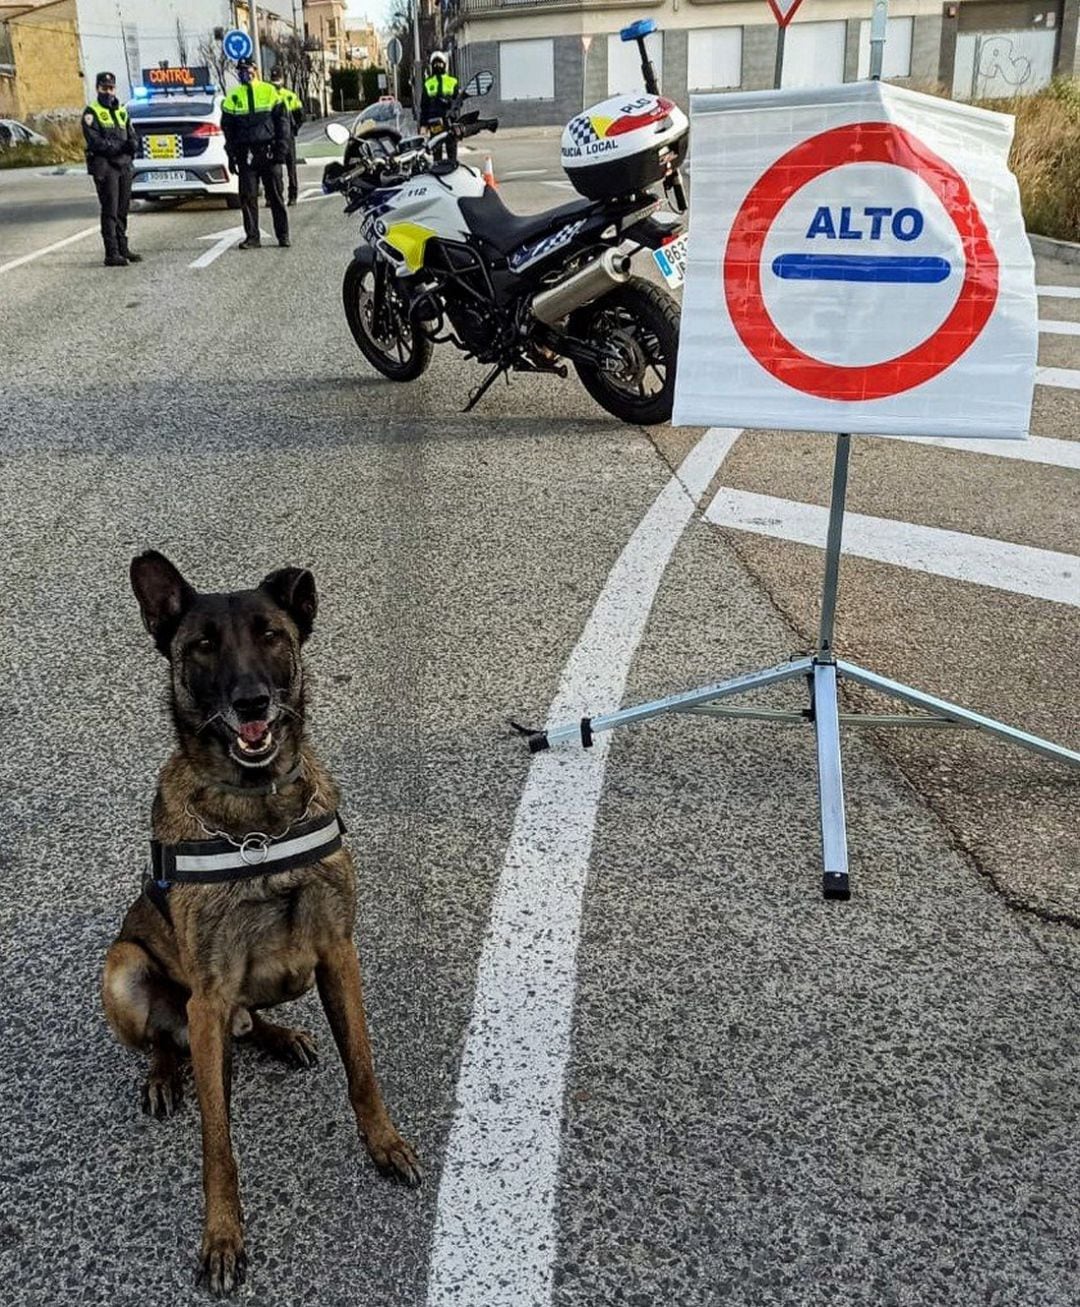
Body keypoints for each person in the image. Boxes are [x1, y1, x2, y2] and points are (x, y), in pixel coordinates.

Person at [220, 57, 290, 249]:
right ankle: (252, 237)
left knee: (275, 196)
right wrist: (231, 155)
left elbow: (282, 123)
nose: (245, 73)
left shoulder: (270, 91)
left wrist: (281, 149)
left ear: (255, 70)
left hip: (269, 152)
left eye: (248, 69)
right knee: (248, 197)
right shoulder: (233, 97)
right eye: (242, 70)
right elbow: (228, 130)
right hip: (246, 154)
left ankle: (283, 235)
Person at [81, 71, 141, 267]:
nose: (108, 92)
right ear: (97, 88)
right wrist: (120, 147)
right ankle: (111, 252)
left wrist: (132, 144)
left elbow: (131, 134)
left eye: (111, 88)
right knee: (110, 210)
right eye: (104, 88)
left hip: (124, 165)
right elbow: (95, 142)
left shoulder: (122, 110)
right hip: (105, 166)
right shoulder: (92, 112)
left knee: (123, 209)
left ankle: (123, 248)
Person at [269, 67, 304, 206]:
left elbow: (299, 114)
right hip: (278, 135)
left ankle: (289, 195)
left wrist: (294, 128)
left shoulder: (289, 96)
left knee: (287, 167)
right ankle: (283, 195)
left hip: (282, 135)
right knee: (281, 168)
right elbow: (300, 115)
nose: (276, 82)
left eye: (277, 79)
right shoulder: (271, 95)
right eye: (274, 79)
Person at [419, 52, 458, 132]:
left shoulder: (453, 82)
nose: (438, 66)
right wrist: (423, 124)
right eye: (435, 64)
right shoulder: (428, 83)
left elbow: (458, 101)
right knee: (435, 139)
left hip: (449, 121)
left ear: (445, 65)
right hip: (433, 122)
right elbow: (424, 106)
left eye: (440, 64)